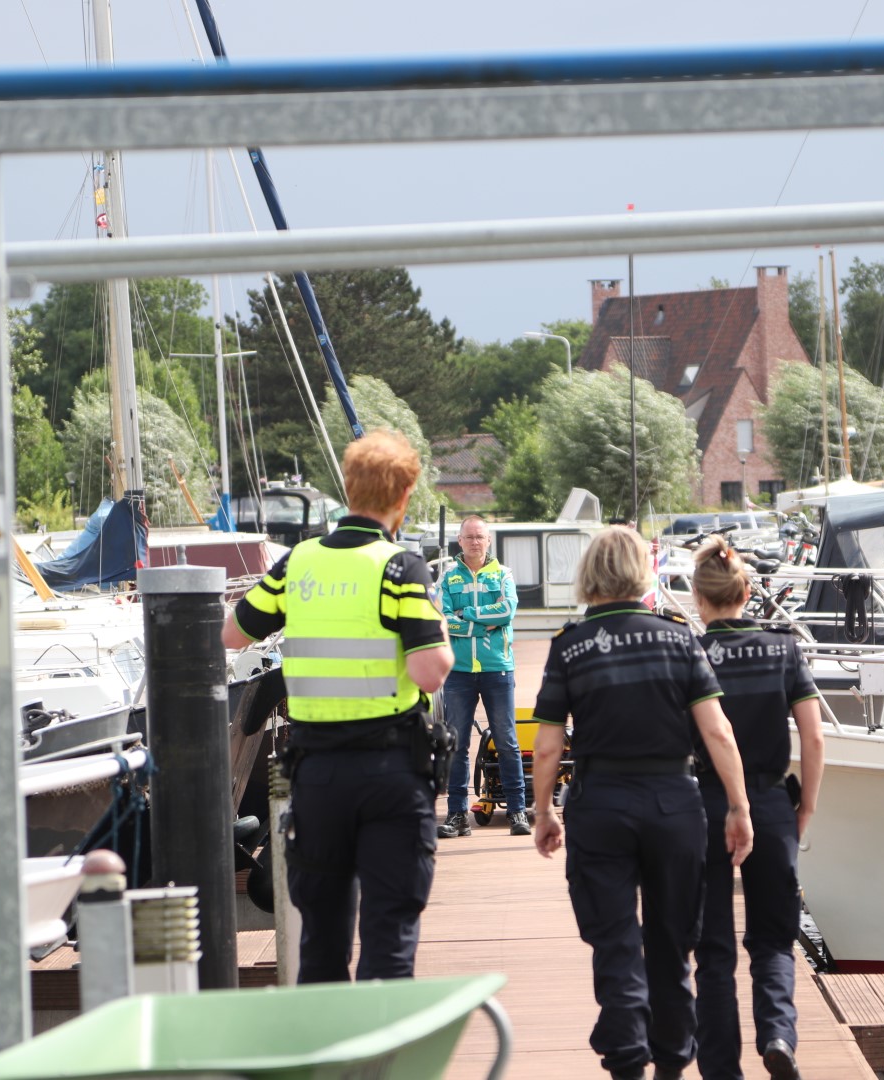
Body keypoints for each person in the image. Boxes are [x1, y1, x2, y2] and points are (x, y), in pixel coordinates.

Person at [221, 429, 453, 983]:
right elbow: (429, 670)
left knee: (321, 938)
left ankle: (329, 1061)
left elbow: (233, 634)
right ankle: (384, 1063)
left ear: (348, 490)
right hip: (390, 771)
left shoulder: (297, 564)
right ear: (402, 498)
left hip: (319, 775)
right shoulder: (399, 568)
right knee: (388, 932)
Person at [531, 525, 755, 1080]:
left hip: (601, 802)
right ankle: (673, 1062)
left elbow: (547, 745)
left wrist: (542, 810)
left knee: (614, 938)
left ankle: (628, 1052)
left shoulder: (569, 644)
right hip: (673, 804)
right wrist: (739, 805)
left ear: (590, 573)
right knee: (672, 940)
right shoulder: (679, 638)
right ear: (640, 573)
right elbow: (718, 732)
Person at [688, 535, 824, 1080]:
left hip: (704, 805)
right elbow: (814, 738)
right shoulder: (783, 647)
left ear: (699, 599)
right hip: (769, 802)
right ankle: (777, 1035)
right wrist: (805, 807)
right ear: (748, 591)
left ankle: (722, 1069)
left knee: (713, 949)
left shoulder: (690, 652)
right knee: (773, 939)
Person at [437, 515, 528, 838]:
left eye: (480, 537)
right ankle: (458, 815)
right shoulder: (447, 580)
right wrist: (480, 622)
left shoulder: (503, 575)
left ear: (488, 541)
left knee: (507, 741)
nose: (475, 542)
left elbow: (507, 613)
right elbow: (443, 620)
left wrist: (467, 615)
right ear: (459, 541)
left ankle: (518, 811)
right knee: (457, 745)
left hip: (497, 668)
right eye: (469, 537)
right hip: (459, 673)